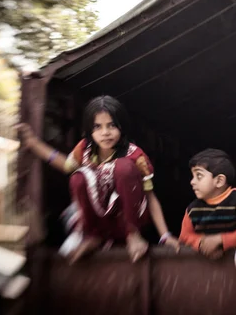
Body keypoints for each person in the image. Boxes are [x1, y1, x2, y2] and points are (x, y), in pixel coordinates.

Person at [16, 95, 179, 264]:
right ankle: (93, 235)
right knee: (78, 177)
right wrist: (34, 144)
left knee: (123, 167)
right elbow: (66, 165)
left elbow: (150, 198)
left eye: (112, 125)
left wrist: (165, 235)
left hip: (129, 220)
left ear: (122, 127)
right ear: (89, 130)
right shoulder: (84, 150)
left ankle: (133, 235)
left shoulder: (135, 155)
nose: (105, 132)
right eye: (98, 127)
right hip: (101, 222)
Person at [178, 149, 236, 259]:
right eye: (193, 176)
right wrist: (202, 244)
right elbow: (184, 236)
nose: (192, 181)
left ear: (219, 181)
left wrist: (221, 240)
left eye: (199, 176)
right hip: (203, 270)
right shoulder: (192, 209)